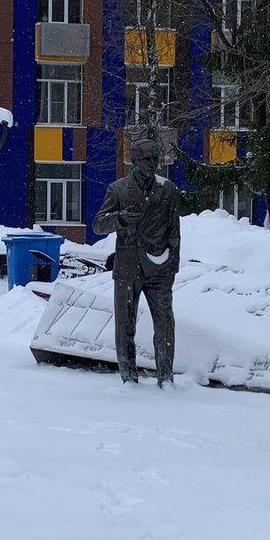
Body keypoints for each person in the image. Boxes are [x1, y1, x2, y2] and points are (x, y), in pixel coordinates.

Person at [92, 137, 181, 386]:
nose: (152, 164)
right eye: (147, 159)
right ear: (134, 160)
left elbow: (174, 231)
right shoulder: (118, 189)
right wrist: (120, 218)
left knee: (165, 323)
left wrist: (171, 265)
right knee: (125, 325)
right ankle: (129, 379)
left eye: (156, 158)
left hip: (159, 267)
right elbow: (98, 225)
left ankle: (166, 378)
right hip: (128, 266)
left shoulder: (168, 189)